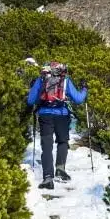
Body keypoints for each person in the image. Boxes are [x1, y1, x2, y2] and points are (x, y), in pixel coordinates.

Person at [26, 61, 88, 189]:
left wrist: (33, 87)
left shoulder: (41, 79)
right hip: (62, 114)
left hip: (45, 115)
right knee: (62, 142)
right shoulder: (65, 80)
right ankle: (60, 169)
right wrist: (84, 89)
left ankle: (48, 177)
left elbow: (30, 100)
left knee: (47, 146)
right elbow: (78, 99)